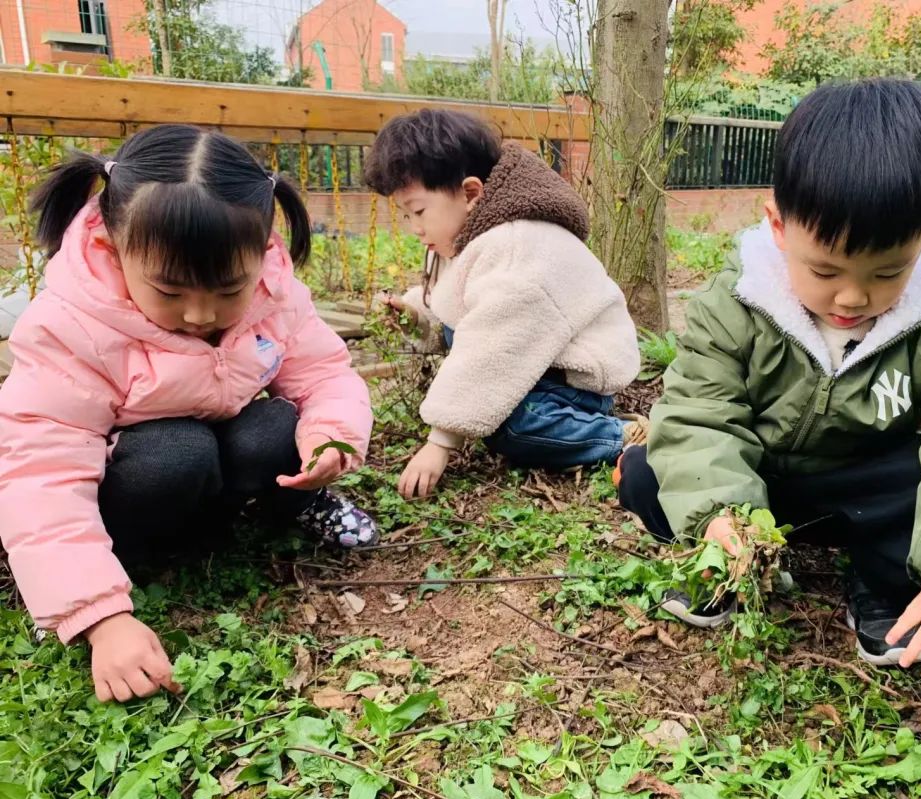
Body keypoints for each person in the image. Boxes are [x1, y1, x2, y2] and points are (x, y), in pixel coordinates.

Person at [617, 79, 921, 679]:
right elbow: (700, 408)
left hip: (867, 500)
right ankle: (732, 560)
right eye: (824, 269)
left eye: (888, 272)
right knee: (650, 473)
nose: (852, 297)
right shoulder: (736, 303)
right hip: (769, 486)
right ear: (778, 224)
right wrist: (726, 514)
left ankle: (885, 586)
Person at [0, 125, 378, 703]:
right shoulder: (70, 326)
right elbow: (40, 473)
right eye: (170, 293)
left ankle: (294, 506)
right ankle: (115, 573)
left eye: (229, 291)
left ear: (264, 252)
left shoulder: (276, 295)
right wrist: (97, 616)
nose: (201, 314)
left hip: (214, 472)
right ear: (112, 246)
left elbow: (324, 373)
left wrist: (331, 437)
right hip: (138, 483)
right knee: (176, 451)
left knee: (278, 426)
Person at [364, 109, 645, 499]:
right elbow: (457, 304)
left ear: (470, 193)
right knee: (492, 398)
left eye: (419, 211)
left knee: (510, 426)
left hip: (576, 376)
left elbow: (490, 346)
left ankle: (620, 435)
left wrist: (441, 441)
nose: (415, 227)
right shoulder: (470, 230)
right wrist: (415, 316)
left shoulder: (515, 247)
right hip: (536, 357)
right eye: (406, 214)